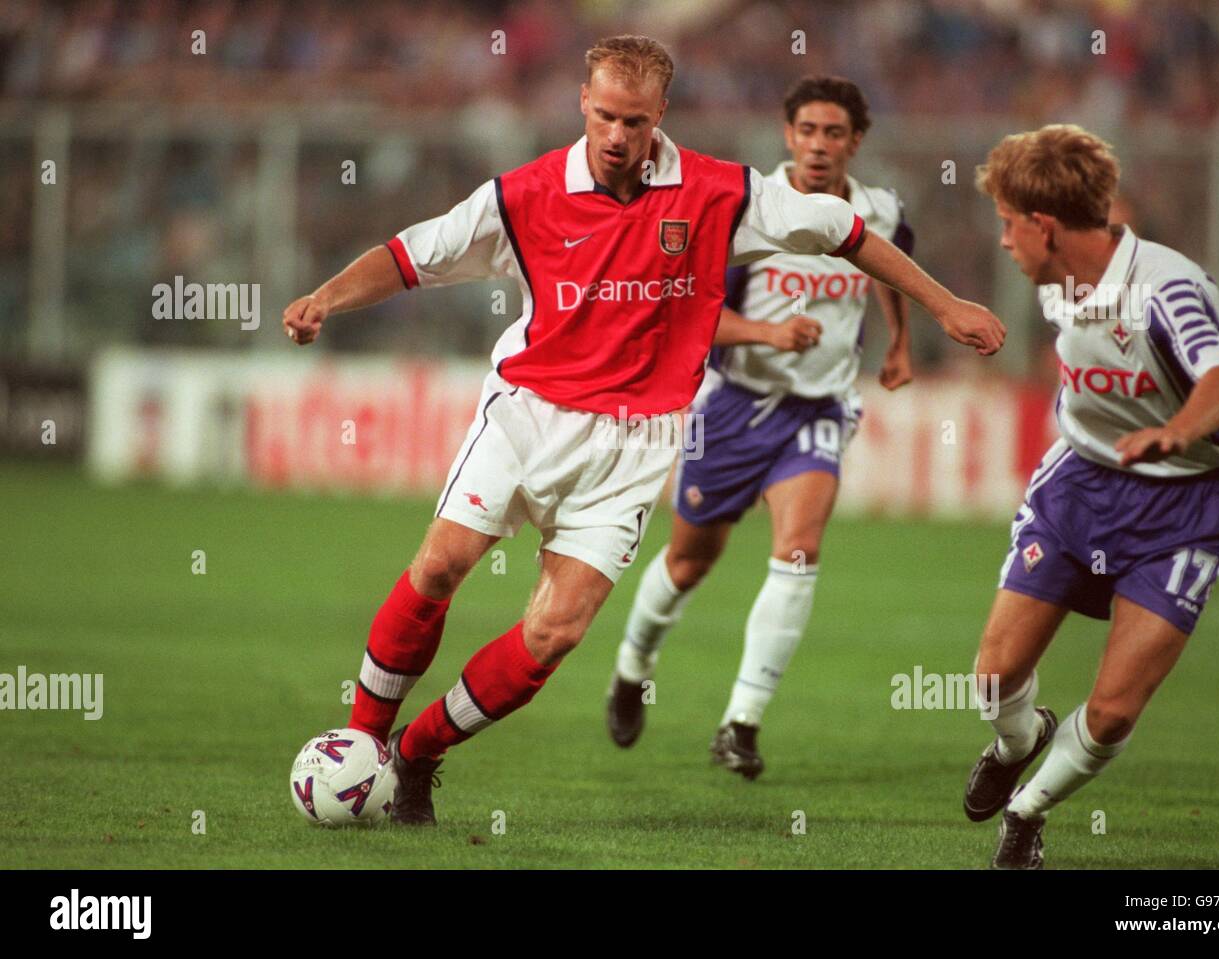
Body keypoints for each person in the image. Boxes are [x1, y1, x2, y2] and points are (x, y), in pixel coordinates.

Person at [282, 35, 1005, 826]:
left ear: (662, 113)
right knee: (439, 566)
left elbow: (843, 229)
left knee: (553, 634)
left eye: (634, 120)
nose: (617, 135)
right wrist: (325, 297)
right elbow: (413, 253)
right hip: (527, 413)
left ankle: (415, 757)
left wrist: (945, 305)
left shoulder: (718, 191)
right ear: (581, 106)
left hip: (636, 441)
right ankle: (360, 744)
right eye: (603, 116)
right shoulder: (525, 195)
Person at [964, 124, 1219, 868]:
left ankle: (1027, 813)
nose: (1002, 242)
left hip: (1186, 507)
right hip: (1082, 484)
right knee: (994, 675)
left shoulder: (1166, 288)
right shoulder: (1063, 280)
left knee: (1114, 707)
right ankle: (1019, 738)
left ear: (1044, 227)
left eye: (1008, 224)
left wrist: (1176, 430)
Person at [605, 75, 914, 779]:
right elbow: (691, 316)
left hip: (818, 411)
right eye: (806, 130)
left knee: (799, 550)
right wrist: (768, 334)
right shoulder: (748, 213)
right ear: (788, 136)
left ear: (854, 142)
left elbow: (893, 272)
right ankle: (632, 664)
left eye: (833, 133)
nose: (818, 145)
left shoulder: (882, 213)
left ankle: (740, 722)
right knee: (689, 563)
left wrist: (896, 341)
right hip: (734, 406)